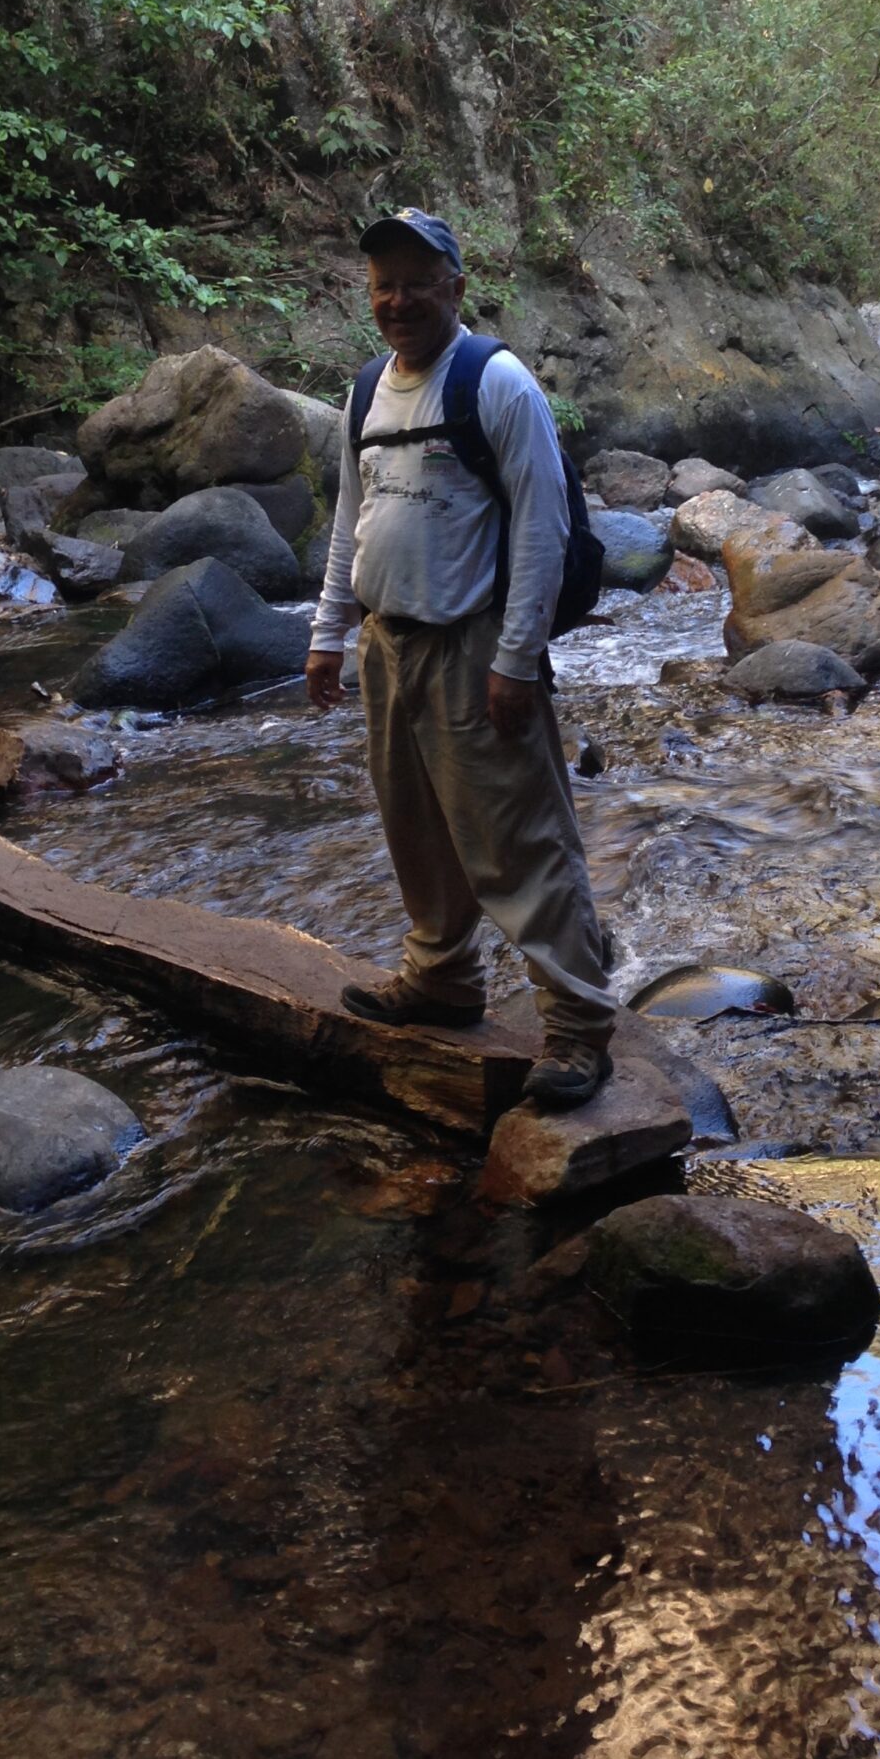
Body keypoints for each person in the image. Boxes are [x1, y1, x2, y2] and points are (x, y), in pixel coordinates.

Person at [304, 208, 618, 1110]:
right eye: (383, 286)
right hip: (385, 641)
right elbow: (349, 520)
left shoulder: (497, 383)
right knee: (418, 829)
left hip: (475, 645)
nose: (397, 300)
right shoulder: (367, 392)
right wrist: (330, 633)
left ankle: (577, 1028)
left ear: (455, 288)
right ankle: (441, 980)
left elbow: (543, 529)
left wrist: (517, 659)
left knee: (521, 842)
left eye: (415, 282)